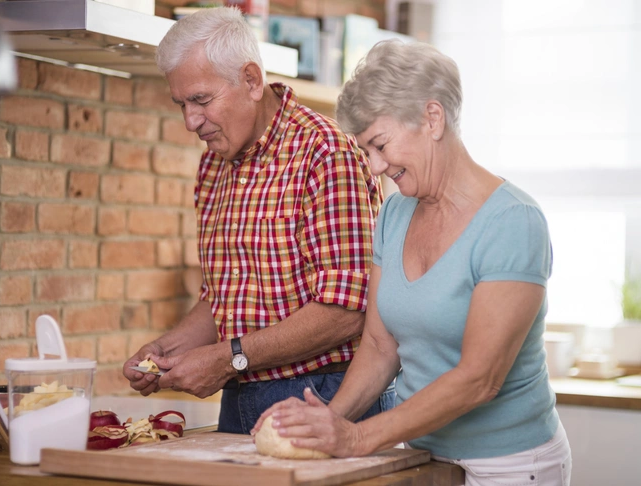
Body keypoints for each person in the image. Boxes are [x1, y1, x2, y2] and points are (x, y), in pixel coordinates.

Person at [253, 40, 572, 486]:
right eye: (366, 149)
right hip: (424, 454)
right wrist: (324, 422)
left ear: (432, 118)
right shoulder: (394, 214)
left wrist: (358, 438)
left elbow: (480, 379)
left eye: (380, 144)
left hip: (513, 464)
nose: (376, 165)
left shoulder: (513, 221)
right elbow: (381, 347)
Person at [122, 7, 395, 434]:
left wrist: (226, 358)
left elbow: (347, 310)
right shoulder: (215, 165)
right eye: (181, 104)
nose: (190, 121)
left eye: (201, 100)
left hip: (325, 395)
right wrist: (165, 351)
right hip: (241, 393)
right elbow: (227, 298)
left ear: (251, 80)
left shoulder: (325, 153)